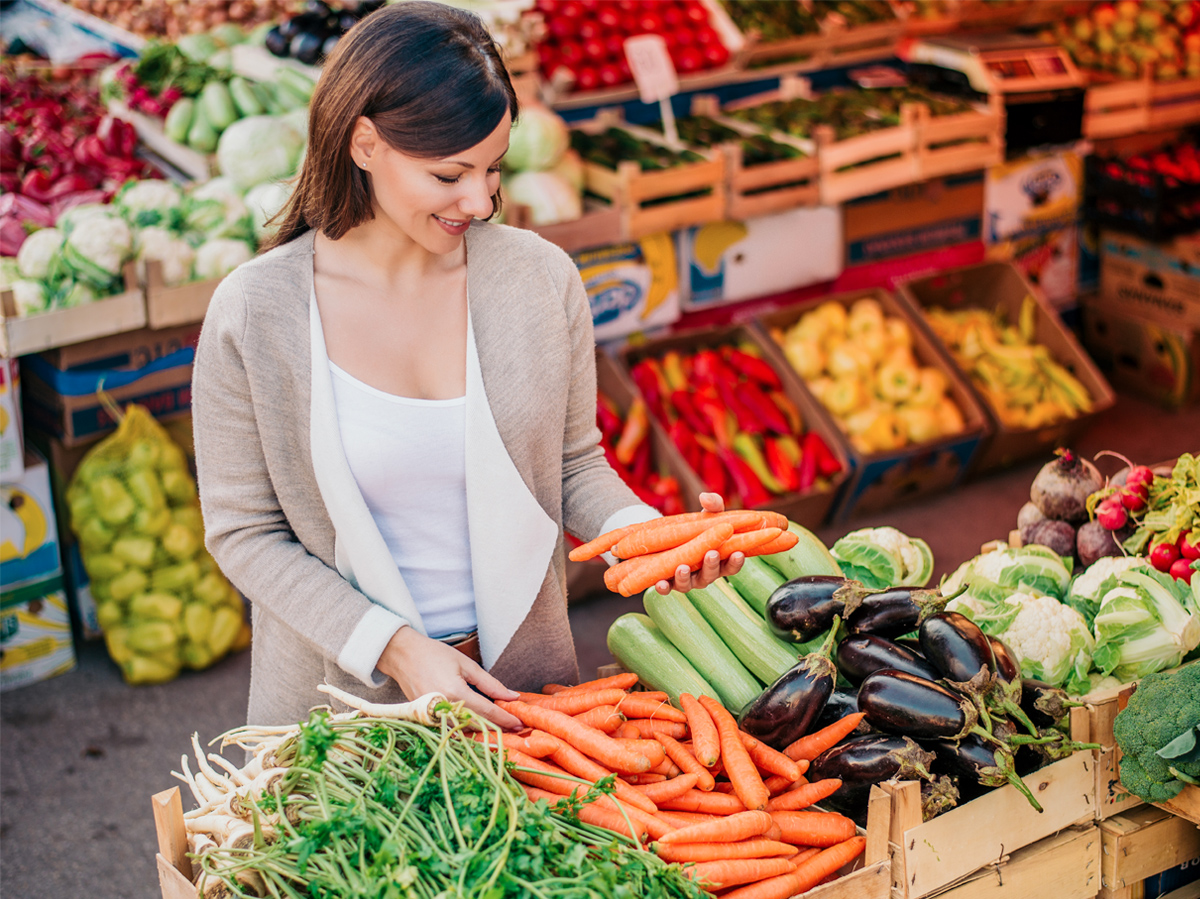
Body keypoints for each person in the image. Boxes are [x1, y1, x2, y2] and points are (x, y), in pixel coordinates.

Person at [191, 1, 743, 730]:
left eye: (493, 169)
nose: (480, 201)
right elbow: (245, 532)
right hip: (340, 708)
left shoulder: (540, 280)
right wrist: (396, 648)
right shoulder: (254, 313)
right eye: (450, 174)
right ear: (363, 143)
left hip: (525, 698)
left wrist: (653, 539)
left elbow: (574, 465)